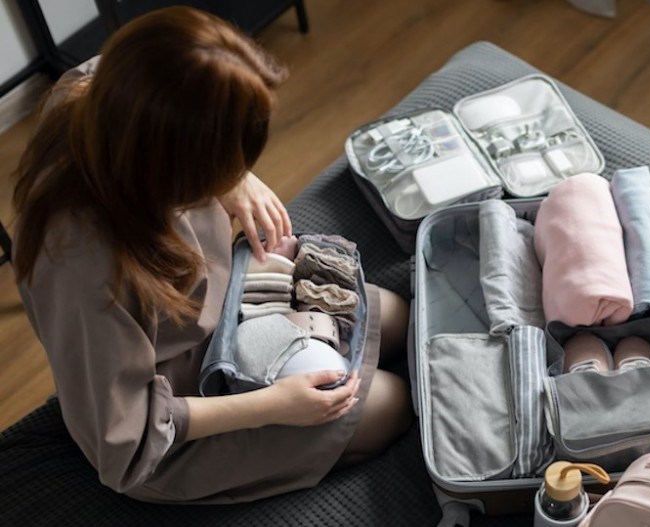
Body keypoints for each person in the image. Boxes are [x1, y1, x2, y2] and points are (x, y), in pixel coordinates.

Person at [11, 6, 411, 503]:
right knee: (392, 406)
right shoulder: (87, 270)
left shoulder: (102, 90)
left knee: (401, 317)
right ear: (173, 168)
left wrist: (237, 181)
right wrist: (272, 406)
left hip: (205, 308)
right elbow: (128, 436)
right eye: (217, 170)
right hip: (165, 416)